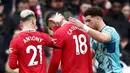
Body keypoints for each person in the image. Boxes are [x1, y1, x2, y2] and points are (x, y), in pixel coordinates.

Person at [69, 6, 122, 73]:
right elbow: (89, 56)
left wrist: (83, 26)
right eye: (86, 22)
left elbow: (103, 38)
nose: (87, 24)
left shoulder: (110, 30)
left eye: (89, 20)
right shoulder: (93, 37)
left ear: (98, 19)